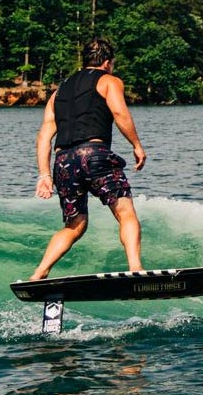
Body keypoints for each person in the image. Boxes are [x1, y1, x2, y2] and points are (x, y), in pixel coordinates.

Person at [30, 38, 147, 280]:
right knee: (125, 213)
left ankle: (39, 273)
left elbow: (44, 136)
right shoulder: (109, 81)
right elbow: (119, 112)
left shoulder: (58, 92)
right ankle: (135, 267)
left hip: (63, 162)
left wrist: (44, 174)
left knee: (74, 226)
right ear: (107, 63)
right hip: (94, 156)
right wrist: (136, 145)